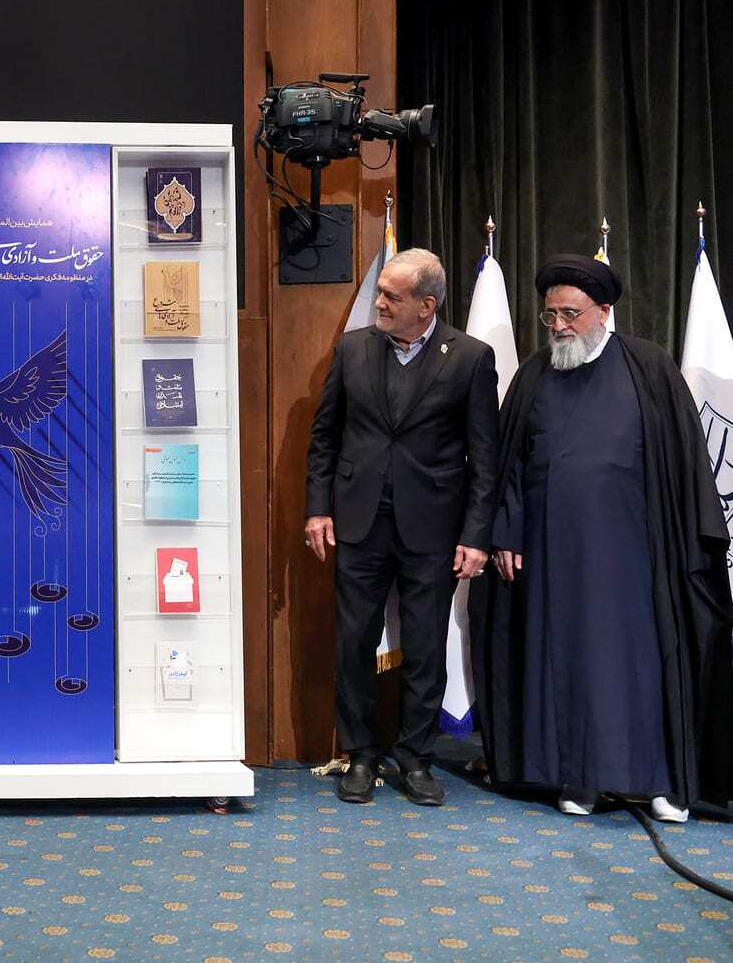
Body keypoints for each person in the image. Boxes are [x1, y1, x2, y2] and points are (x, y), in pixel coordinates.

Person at [470, 254, 733, 821]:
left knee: (642, 665)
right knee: (568, 664)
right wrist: (506, 531)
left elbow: (685, 461)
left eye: (571, 313)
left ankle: (662, 781)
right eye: (551, 315)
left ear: (603, 312)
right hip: (552, 559)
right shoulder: (534, 375)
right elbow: (509, 464)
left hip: (637, 557)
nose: (560, 325)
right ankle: (580, 777)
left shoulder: (648, 366)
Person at [305, 247, 500, 806]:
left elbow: (485, 458)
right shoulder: (352, 349)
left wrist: (476, 535)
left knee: (424, 645)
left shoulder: (470, 358)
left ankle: (416, 757)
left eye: (392, 296)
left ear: (426, 305)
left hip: (433, 528)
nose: (380, 303)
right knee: (353, 643)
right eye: (381, 293)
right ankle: (361, 754)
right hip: (359, 522)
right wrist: (318, 508)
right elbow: (325, 437)